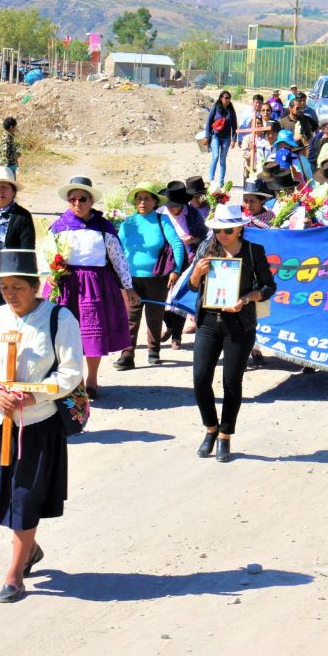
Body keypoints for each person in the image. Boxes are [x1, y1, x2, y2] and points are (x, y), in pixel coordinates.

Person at [0, 249, 84, 604]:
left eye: (18, 286)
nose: (10, 294)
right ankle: (28, 546)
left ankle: (14, 574)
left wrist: (33, 398)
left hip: (37, 426)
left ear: (36, 286)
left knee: (26, 497)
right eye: (4, 287)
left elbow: (71, 372)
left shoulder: (59, 319)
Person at [189, 205, 277, 463]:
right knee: (200, 379)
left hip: (239, 323)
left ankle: (225, 435)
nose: (222, 234)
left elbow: (269, 286)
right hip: (208, 321)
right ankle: (210, 429)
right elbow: (195, 286)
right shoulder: (207, 249)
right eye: (217, 230)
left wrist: (247, 298)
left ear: (239, 228)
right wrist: (197, 273)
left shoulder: (253, 250)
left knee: (231, 382)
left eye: (227, 230)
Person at [48, 176, 138, 397]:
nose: (77, 204)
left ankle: (92, 380)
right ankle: (72, 380)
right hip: (66, 283)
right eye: (73, 200)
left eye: (82, 199)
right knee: (64, 334)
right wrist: (49, 275)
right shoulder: (59, 226)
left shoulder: (103, 226)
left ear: (91, 201)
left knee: (91, 334)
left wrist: (128, 287)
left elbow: (118, 258)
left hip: (94, 285)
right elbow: (47, 253)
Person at [115, 182, 184, 370]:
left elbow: (177, 244)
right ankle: (127, 355)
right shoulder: (127, 223)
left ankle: (154, 352)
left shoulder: (162, 220)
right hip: (130, 279)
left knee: (154, 316)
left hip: (157, 278)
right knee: (130, 317)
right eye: (139, 198)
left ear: (155, 202)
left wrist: (176, 270)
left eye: (147, 198)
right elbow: (117, 249)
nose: (142, 202)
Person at [0, 166, 35, 312]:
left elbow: (26, 252)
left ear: (13, 191)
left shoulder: (22, 217)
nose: (0, 191)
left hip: (9, 279)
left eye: (5, 187)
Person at [159, 180, 207, 349]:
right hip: (164, 260)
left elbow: (205, 236)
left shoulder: (193, 214)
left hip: (189, 259)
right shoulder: (160, 213)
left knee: (178, 296)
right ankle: (170, 326)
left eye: (175, 205)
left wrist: (193, 239)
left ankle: (176, 337)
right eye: (169, 205)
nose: (171, 208)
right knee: (162, 297)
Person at [204, 90, 237, 188]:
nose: (228, 100)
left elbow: (234, 125)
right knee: (215, 157)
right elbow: (209, 121)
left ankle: (221, 182)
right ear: (221, 98)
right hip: (216, 135)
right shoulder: (216, 108)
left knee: (222, 160)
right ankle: (211, 180)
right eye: (226, 98)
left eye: (229, 98)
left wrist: (234, 139)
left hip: (226, 137)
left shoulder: (231, 110)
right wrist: (207, 136)